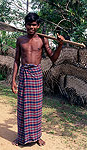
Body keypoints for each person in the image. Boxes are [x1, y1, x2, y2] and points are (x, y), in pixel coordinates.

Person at [11, 12, 65, 146]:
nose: (31, 27)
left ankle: (37, 136)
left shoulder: (43, 39)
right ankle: (21, 137)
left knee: (36, 108)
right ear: (25, 25)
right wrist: (13, 80)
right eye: (29, 25)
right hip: (24, 76)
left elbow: (53, 58)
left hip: (36, 75)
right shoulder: (20, 40)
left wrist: (60, 45)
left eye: (34, 25)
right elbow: (17, 61)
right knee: (22, 107)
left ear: (38, 26)